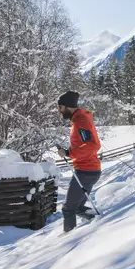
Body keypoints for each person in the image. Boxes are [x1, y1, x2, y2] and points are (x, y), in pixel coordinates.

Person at [55, 91, 102, 232]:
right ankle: (101, 223)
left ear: (67, 106)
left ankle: (68, 241)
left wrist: (69, 153)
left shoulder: (80, 120)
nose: (59, 111)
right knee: (78, 208)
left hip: (85, 171)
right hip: (89, 169)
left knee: (68, 209)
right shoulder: (80, 118)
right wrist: (69, 151)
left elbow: (91, 145)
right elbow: (84, 144)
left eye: (60, 107)